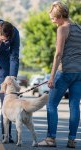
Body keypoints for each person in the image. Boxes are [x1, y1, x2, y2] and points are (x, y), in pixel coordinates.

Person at [38, 1, 81, 148]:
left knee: (51, 105)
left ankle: (50, 139)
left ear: (61, 16)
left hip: (65, 72)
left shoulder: (63, 29)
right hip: (79, 73)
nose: (52, 21)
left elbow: (58, 55)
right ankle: (72, 140)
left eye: (53, 18)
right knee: (74, 105)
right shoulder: (79, 28)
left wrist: (51, 77)